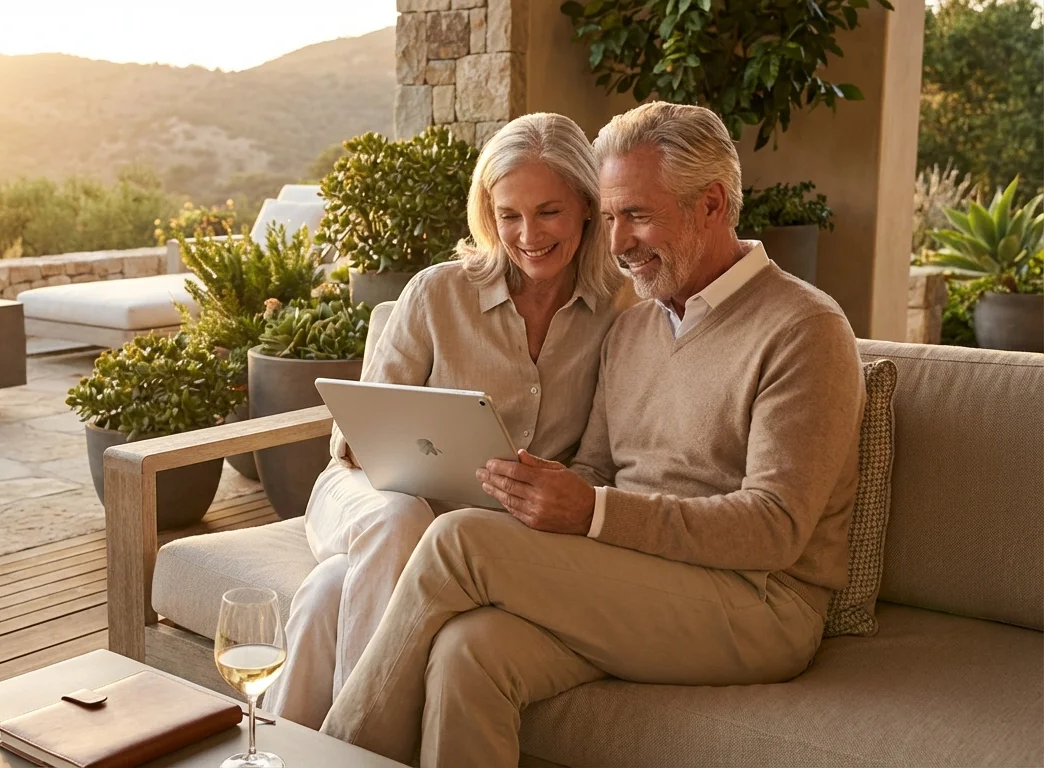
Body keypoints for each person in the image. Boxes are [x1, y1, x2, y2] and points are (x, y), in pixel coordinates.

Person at [318, 101, 866, 767]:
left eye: (636, 214)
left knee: (461, 541)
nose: (616, 242)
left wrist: (595, 511)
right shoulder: (633, 327)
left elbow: (775, 528)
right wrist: (554, 496)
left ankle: (330, 759)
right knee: (469, 652)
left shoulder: (804, 327)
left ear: (713, 205)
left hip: (757, 605)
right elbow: (600, 467)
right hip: (636, 575)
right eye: (609, 217)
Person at [264, 113, 630, 729]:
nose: (527, 234)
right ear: (488, 214)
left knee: (330, 594)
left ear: (587, 209)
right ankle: (360, 749)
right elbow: (351, 440)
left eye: (548, 212)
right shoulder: (439, 292)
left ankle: (286, 750)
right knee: (402, 515)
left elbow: (595, 461)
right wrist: (416, 445)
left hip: (475, 532)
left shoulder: (617, 312)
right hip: (368, 498)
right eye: (508, 214)